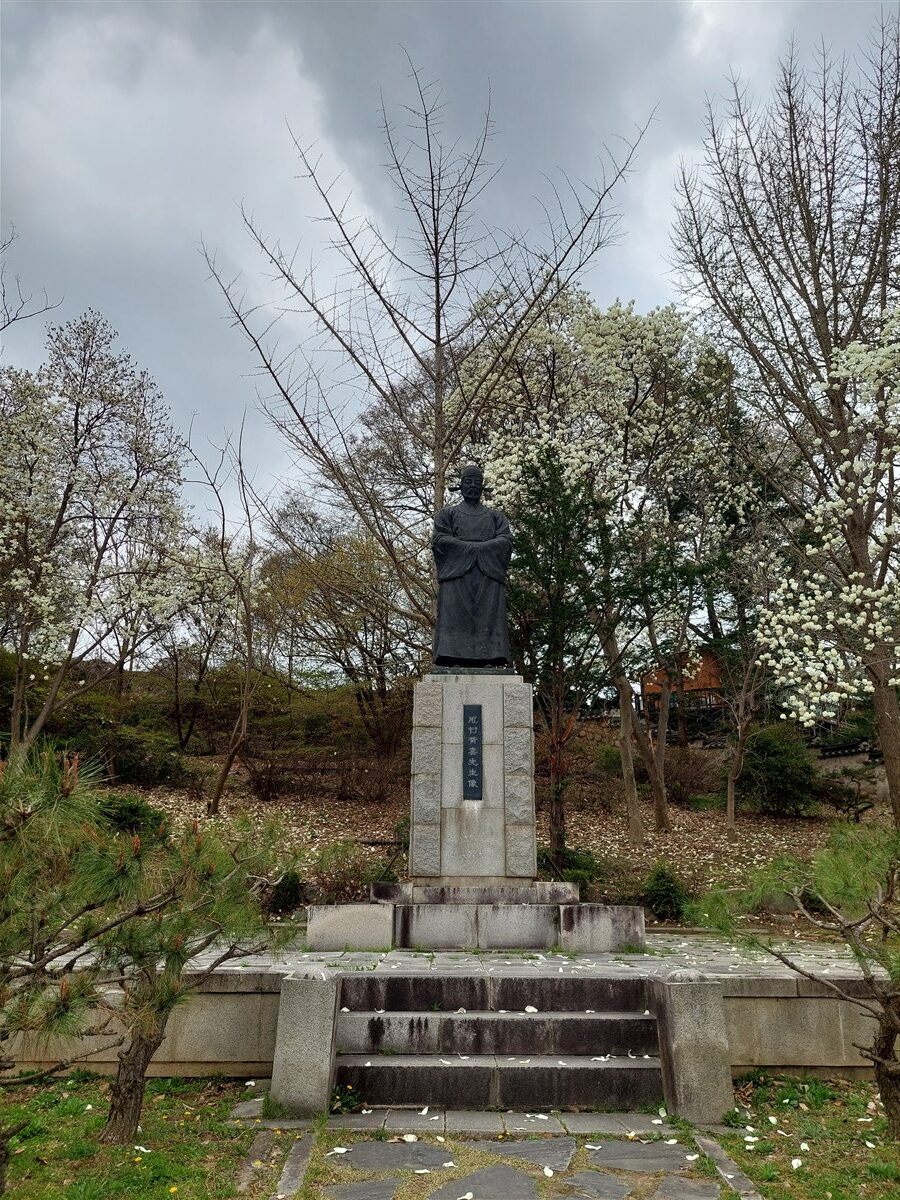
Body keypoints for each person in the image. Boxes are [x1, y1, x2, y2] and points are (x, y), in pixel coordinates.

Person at [432, 464, 512, 666]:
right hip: (457, 574)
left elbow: (505, 541)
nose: (473, 486)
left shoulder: (495, 517)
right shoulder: (447, 515)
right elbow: (440, 540)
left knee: (489, 614)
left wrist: (478, 549)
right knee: (454, 614)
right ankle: (453, 656)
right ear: (460, 485)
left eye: (477, 482)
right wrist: (473, 548)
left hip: (488, 574)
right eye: (468, 482)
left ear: (483, 486)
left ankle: (490, 657)